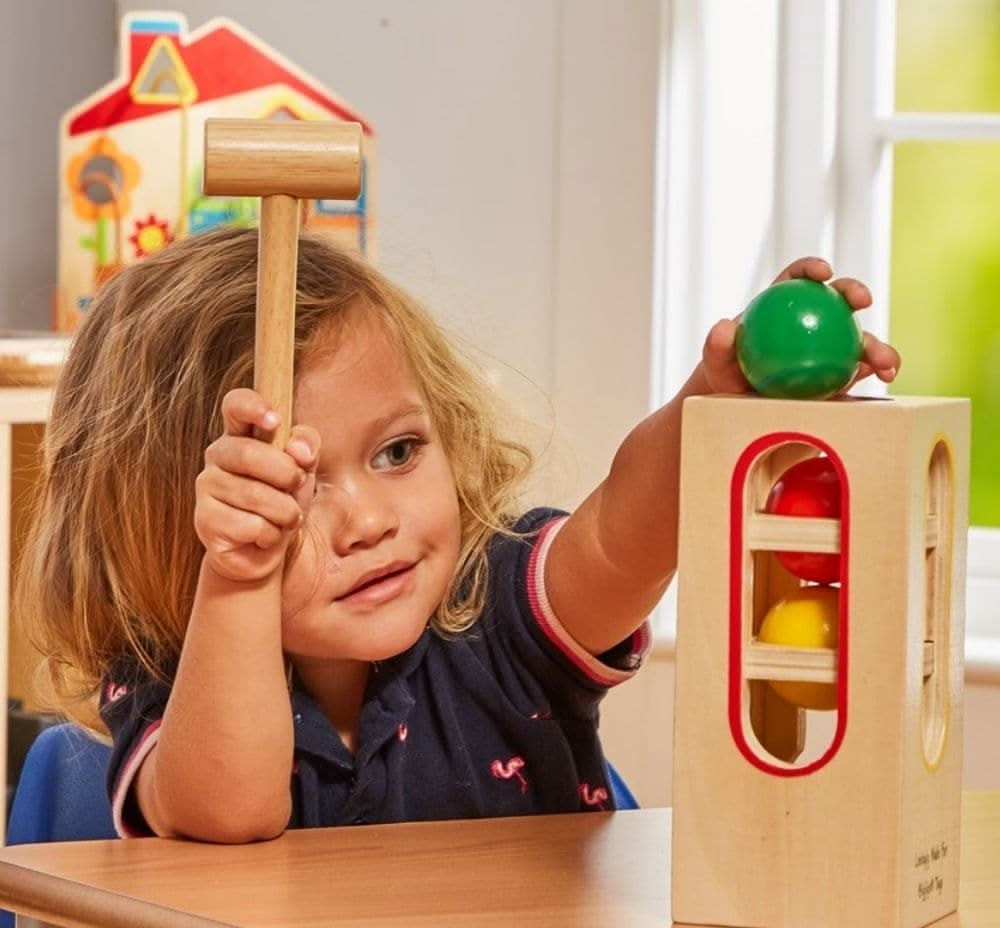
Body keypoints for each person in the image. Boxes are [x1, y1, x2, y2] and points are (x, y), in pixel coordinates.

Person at [18, 227, 899, 842]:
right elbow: (227, 812)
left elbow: (622, 535)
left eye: (398, 451)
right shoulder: (175, 686)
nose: (368, 522)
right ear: (181, 528)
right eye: (292, 487)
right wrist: (240, 579)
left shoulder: (498, 611)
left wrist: (716, 406)